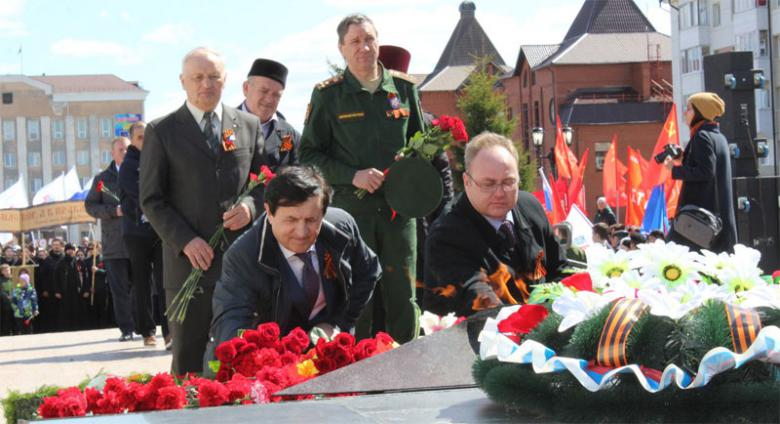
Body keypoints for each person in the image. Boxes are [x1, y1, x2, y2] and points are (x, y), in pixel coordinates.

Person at [140, 47, 266, 374]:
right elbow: (152, 199)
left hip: (242, 263)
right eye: (198, 77)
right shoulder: (162, 131)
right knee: (189, 361)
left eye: (213, 77)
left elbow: (266, 182)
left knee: (243, 358)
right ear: (183, 81)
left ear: (225, 80)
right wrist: (185, 241)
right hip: (188, 268)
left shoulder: (250, 126)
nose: (206, 84)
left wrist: (251, 207)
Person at [299, 14, 424, 343]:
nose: (364, 47)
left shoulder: (404, 89)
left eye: (369, 39)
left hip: (399, 214)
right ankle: (359, 372)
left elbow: (423, 149)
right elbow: (309, 154)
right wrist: (352, 176)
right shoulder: (329, 96)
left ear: (378, 42)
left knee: (403, 298)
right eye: (355, 41)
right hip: (352, 216)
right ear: (342, 48)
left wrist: (411, 173)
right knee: (358, 299)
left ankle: (407, 371)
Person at [205, 166, 380, 367]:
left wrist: (339, 324)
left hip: (328, 354)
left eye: (312, 220)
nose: (301, 232)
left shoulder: (341, 228)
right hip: (269, 362)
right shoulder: (243, 256)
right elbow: (231, 321)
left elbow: (368, 272)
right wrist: (260, 363)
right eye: (291, 220)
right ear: (269, 213)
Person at [424, 132, 568, 316]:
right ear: (467, 182)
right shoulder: (446, 236)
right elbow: (482, 304)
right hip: (478, 338)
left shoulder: (530, 207)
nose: (500, 193)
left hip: (544, 330)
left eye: (508, 182)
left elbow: (561, 271)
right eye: (488, 184)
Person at [663, 92, 737, 254]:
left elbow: (705, 172)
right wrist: (685, 158)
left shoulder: (701, 136)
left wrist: (673, 169)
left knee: (671, 260)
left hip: (697, 219)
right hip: (712, 219)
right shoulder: (718, 137)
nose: (685, 113)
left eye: (689, 109)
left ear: (700, 112)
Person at [119, 121, 169, 348]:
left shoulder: (159, 157)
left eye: (147, 137)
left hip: (159, 230)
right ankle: (147, 330)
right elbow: (142, 195)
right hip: (136, 232)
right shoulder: (128, 165)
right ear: (132, 140)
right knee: (142, 282)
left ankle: (170, 332)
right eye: (140, 138)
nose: (145, 142)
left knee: (165, 280)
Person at [85, 137, 134, 340]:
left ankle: (145, 326)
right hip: (114, 244)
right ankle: (127, 329)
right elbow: (91, 206)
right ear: (113, 153)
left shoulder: (141, 172)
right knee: (119, 290)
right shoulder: (102, 180)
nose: (125, 152)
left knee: (143, 288)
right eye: (121, 149)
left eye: (128, 149)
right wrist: (113, 210)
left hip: (138, 240)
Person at [239, 58, 300, 171]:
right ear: (246, 88)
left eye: (276, 95)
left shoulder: (289, 135)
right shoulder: (225, 125)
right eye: (264, 91)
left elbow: (298, 175)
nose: (269, 99)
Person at [37, 238, 65, 332]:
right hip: (51, 290)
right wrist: (45, 289)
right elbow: (43, 276)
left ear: (61, 246)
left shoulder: (64, 258)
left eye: (58, 245)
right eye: (54, 245)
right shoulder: (48, 259)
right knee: (51, 311)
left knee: (62, 311)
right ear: (52, 246)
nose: (56, 246)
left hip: (63, 289)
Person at [0, 264, 14, 336]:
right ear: (2, 272)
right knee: (6, 318)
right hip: (5, 303)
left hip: (15, 301)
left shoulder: (15, 278)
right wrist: (6, 296)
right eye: (5, 270)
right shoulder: (1, 280)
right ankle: (6, 333)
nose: (7, 271)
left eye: (8, 270)